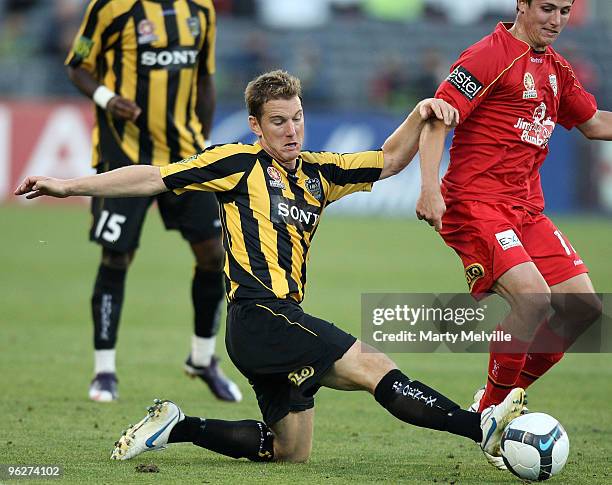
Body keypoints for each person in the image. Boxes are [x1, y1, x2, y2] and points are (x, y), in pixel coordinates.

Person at [15, 70, 526, 466]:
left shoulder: (321, 172)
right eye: (278, 121)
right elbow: (153, 177)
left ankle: (177, 426)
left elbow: (391, 159)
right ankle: (480, 427)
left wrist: (420, 112)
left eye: (297, 117)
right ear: (256, 126)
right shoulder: (235, 162)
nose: (292, 129)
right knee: (374, 366)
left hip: (274, 324)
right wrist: (68, 185)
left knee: (289, 453)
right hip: (259, 317)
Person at [416, 0, 608, 468]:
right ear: (521, 5)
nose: (555, 20)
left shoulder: (557, 70)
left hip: (526, 210)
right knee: (533, 299)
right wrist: (428, 190)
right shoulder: (487, 55)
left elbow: (595, 123)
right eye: (546, 8)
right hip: (476, 204)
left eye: (564, 11)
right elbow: (438, 117)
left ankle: (503, 393)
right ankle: (488, 416)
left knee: (583, 309)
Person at [65, 0, 241, 402]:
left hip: (185, 157)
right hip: (124, 157)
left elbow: (204, 79)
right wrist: (108, 99)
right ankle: (104, 370)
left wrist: (202, 144)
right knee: (116, 256)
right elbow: (77, 65)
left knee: (213, 255)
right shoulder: (110, 7)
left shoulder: (201, 9)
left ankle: (202, 358)